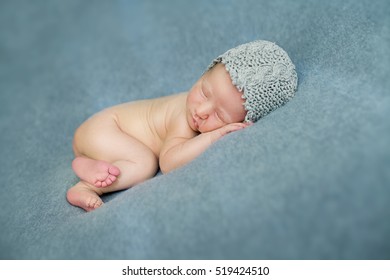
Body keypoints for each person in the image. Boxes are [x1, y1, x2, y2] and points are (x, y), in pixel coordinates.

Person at [67, 40, 298, 211]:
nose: (201, 111)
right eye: (204, 91)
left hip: (100, 139)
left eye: (219, 115)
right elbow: (168, 162)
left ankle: (89, 162)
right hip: (107, 129)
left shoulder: (197, 111)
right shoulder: (184, 116)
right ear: (203, 73)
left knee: (138, 157)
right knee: (145, 163)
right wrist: (212, 135)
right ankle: (87, 187)